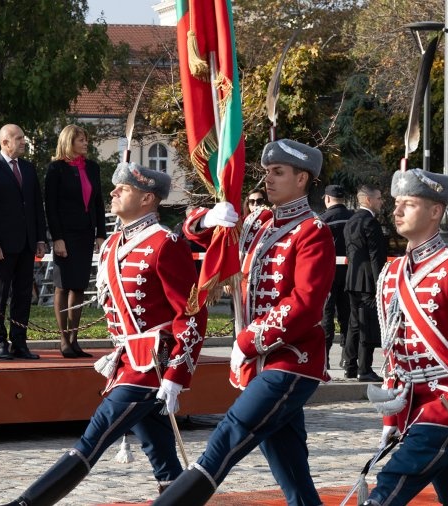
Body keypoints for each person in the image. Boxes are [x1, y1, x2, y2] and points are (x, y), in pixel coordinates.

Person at [0, 162, 207, 506]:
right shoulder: (111, 244)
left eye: (123, 188)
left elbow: (191, 313)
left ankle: (25, 505)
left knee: (92, 440)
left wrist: (177, 374)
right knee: (164, 460)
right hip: (127, 361)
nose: (113, 192)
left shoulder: (165, 243)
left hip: (150, 366)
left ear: (147, 198)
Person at [155, 139, 335, 505]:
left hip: (291, 362)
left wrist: (248, 340)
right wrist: (209, 217)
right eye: (267, 171)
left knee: (230, 433)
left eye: (278, 172)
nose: (268, 179)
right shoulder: (258, 221)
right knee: (291, 467)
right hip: (259, 365)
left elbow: (305, 303)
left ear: (302, 179)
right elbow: (196, 234)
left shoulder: (313, 231)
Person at [360, 169, 448, 506]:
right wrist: (391, 415)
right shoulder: (391, 272)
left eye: (408, 204)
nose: (396, 211)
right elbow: (394, 352)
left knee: (391, 484)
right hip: (413, 407)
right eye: (397, 203)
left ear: (436, 211)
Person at [0, 124, 47, 360]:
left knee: (23, 294)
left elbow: (36, 205)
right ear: (4, 142)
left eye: (23, 138)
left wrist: (39, 238)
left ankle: (19, 341)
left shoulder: (27, 168)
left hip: (26, 243)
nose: (23, 142)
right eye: (18, 138)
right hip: (2, 247)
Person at [44, 124, 107, 358]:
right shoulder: (56, 169)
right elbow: (51, 207)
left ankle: (74, 338)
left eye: (86, 140)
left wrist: (101, 234)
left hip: (85, 233)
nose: (85, 143)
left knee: (79, 285)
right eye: (81, 140)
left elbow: (98, 203)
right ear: (69, 142)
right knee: (63, 284)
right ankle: (63, 339)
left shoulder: (92, 168)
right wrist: (57, 238)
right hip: (65, 234)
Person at [341, 184, 387, 382]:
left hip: (351, 279)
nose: (381, 201)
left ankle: (350, 366)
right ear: (368, 200)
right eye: (378, 198)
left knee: (354, 325)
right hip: (368, 281)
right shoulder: (370, 223)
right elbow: (376, 257)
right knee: (366, 325)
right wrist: (381, 283)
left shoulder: (351, 221)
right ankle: (365, 369)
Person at [320, 184, 353, 369]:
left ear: (327, 199)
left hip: (328, 274)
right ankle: (348, 360)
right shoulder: (353, 219)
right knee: (347, 316)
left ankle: (324, 360)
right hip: (349, 274)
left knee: (327, 314)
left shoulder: (323, 220)